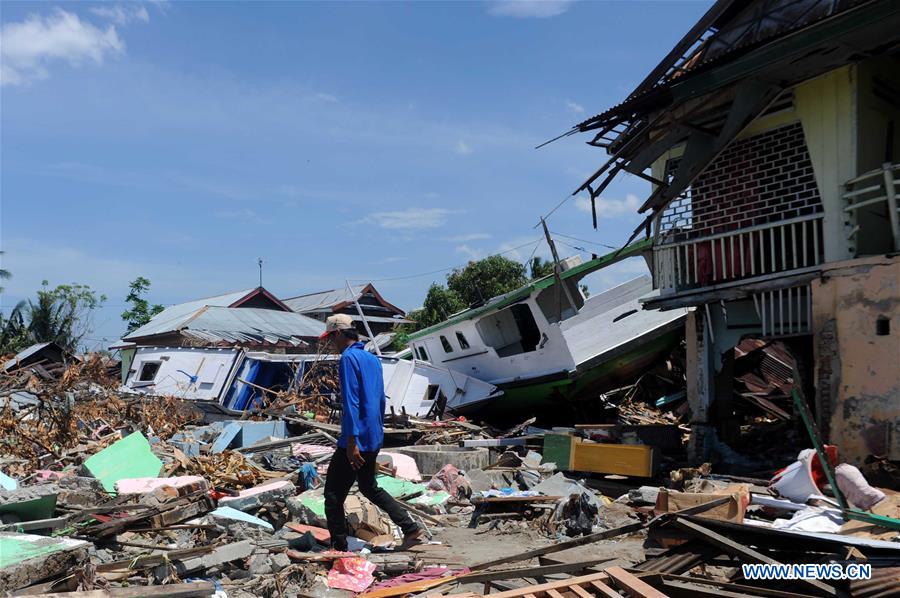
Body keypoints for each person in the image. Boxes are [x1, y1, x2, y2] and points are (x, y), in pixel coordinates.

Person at [320, 313, 423, 551]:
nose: (330, 344)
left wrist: (351, 441)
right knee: (368, 486)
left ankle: (338, 547)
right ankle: (410, 528)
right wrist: (372, 434)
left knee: (333, 495)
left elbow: (351, 402)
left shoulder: (348, 358)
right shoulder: (372, 358)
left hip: (355, 440)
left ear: (337, 334)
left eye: (330, 338)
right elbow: (378, 401)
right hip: (373, 437)